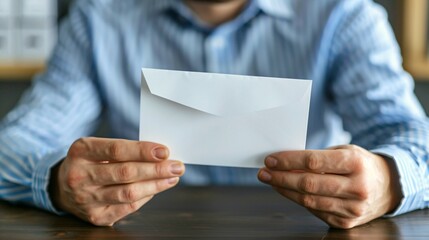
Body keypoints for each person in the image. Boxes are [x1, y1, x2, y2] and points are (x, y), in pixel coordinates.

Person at [0, 0, 428, 229]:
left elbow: (415, 139)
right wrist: (57, 181)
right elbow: (12, 147)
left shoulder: (345, 15)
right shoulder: (97, 20)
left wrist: (387, 180)